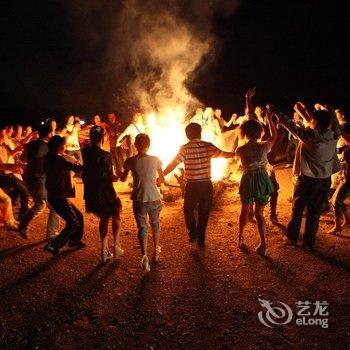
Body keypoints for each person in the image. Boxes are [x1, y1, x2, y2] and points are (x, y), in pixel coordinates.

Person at [275, 108, 340, 249]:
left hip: (307, 180)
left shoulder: (309, 136)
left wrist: (276, 112)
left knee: (298, 208)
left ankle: (291, 236)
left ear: (315, 122)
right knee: (314, 211)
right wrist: (331, 116)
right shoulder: (334, 136)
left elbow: (289, 125)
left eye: (311, 120)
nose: (309, 122)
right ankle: (309, 241)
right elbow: (335, 124)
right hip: (324, 179)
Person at [163, 123, 235, 249]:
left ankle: (193, 234)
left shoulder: (184, 149)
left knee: (188, 209)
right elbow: (224, 154)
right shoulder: (208, 146)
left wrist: (161, 175)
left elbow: (173, 164)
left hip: (192, 186)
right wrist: (236, 154)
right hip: (206, 185)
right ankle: (201, 239)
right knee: (204, 213)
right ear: (200, 133)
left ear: (187, 135)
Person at [235, 108, 277, 256]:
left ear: (244, 133)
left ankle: (240, 238)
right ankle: (263, 245)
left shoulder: (240, 150)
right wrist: (270, 120)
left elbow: (239, 164)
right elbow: (274, 136)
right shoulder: (264, 146)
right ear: (260, 132)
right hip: (263, 180)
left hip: (248, 179)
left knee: (245, 211)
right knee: (259, 213)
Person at [120, 133, 164, 272]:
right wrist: (154, 182)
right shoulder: (156, 160)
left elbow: (122, 178)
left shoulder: (130, 160)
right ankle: (156, 251)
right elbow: (161, 179)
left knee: (142, 228)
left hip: (139, 199)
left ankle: (144, 257)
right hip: (154, 198)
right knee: (155, 224)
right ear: (148, 146)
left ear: (135, 145)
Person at [82, 126, 123, 262]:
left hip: (91, 190)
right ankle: (116, 246)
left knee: (104, 218)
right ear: (103, 138)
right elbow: (110, 175)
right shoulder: (106, 155)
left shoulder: (85, 152)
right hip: (105, 189)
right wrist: (117, 177)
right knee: (116, 213)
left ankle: (104, 251)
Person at [43, 136, 85, 255]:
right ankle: (53, 245)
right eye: (64, 145)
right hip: (58, 197)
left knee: (79, 216)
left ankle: (74, 240)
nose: (65, 147)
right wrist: (80, 162)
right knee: (73, 222)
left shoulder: (50, 157)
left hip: (56, 195)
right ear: (60, 146)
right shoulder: (58, 160)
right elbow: (77, 169)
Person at [18, 124, 59, 240]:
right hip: (41, 179)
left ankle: (23, 226)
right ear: (50, 134)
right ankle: (50, 233)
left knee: (41, 204)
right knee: (50, 206)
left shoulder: (30, 144)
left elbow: (22, 159)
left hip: (29, 178)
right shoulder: (49, 147)